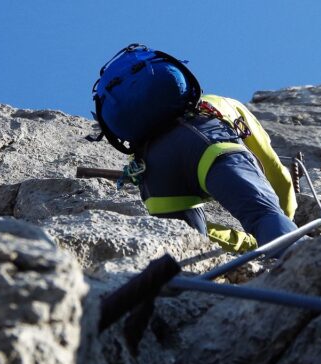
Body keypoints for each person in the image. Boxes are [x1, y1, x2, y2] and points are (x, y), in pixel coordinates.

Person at [92, 44, 298, 250]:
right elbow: (274, 169)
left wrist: (246, 243)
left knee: (186, 242)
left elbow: (204, 233)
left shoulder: (142, 133)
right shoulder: (223, 104)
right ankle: (296, 261)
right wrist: (281, 222)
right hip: (207, 144)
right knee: (262, 215)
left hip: (152, 169)